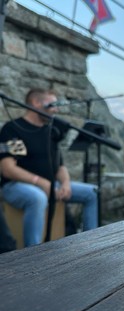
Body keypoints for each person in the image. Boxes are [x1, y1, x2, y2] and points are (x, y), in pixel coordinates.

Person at [0, 88, 98, 247]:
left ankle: (91, 244)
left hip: (50, 184)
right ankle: (33, 254)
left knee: (92, 192)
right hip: (16, 186)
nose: (56, 110)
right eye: (53, 104)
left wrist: (65, 183)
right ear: (36, 103)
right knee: (38, 197)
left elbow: (59, 166)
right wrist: (40, 182)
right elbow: (8, 169)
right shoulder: (14, 128)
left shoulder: (51, 131)